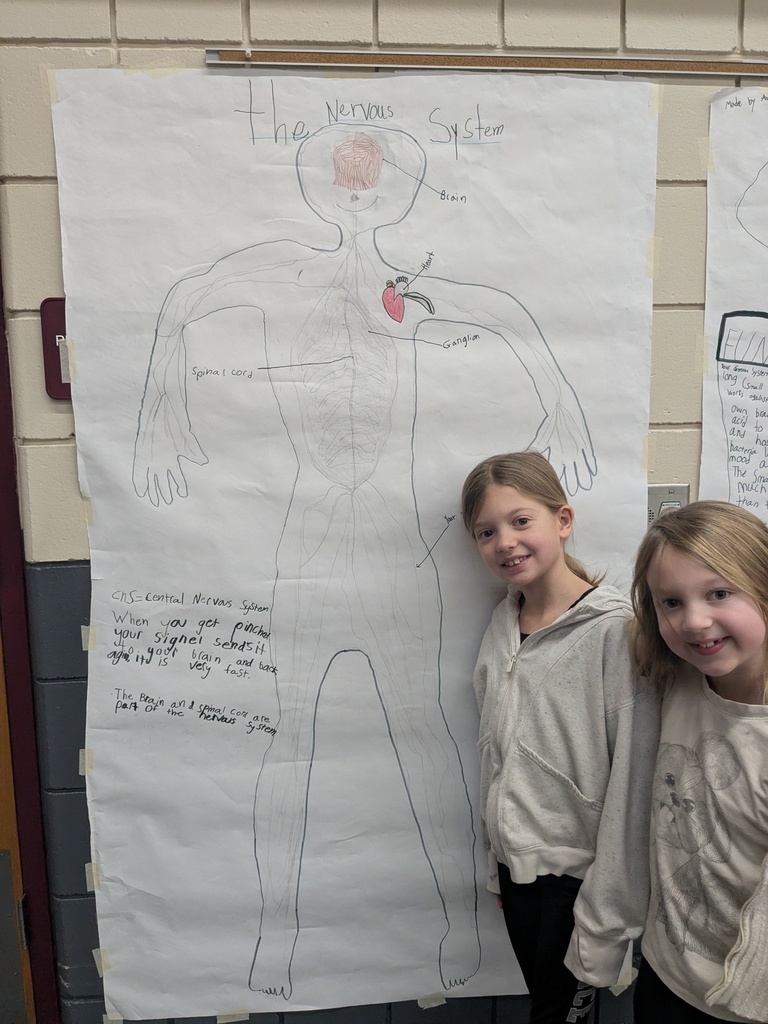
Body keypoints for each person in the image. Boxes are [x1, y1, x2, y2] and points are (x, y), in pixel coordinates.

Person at [133, 123, 598, 999]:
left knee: (422, 734)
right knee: (294, 738)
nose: (355, 199)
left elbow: (510, 316)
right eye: (342, 182)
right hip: (307, 546)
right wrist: (163, 413)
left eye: (372, 185)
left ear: (400, 196)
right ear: (319, 191)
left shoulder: (412, 292)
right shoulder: (286, 276)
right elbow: (189, 296)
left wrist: (565, 410)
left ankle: (462, 927)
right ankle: (274, 941)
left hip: (395, 560)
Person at [461, 450, 659, 1024]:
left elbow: (633, 782)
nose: (505, 541)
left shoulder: (616, 634)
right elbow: (492, 751)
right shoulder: (503, 625)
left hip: (579, 885)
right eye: (487, 531)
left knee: (560, 1016)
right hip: (517, 873)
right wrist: (497, 857)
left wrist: (605, 919)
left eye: (521, 521)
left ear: (563, 520)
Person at [631, 500, 768, 1024]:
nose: (694, 621)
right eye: (671, 601)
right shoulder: (677, 677)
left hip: (747, 1006)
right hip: (667, 976)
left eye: (718, 593)